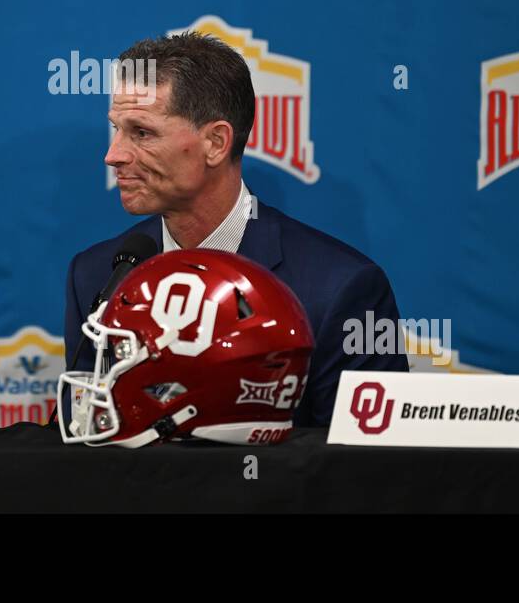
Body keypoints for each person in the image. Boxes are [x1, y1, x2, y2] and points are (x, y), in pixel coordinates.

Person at [64, 32, 409, 426]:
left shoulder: (341, 289)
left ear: (216, 142)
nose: (114, 155)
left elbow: (361, 469)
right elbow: (88, 442)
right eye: (116, 129)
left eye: (142, 133)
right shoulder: (96, 275)